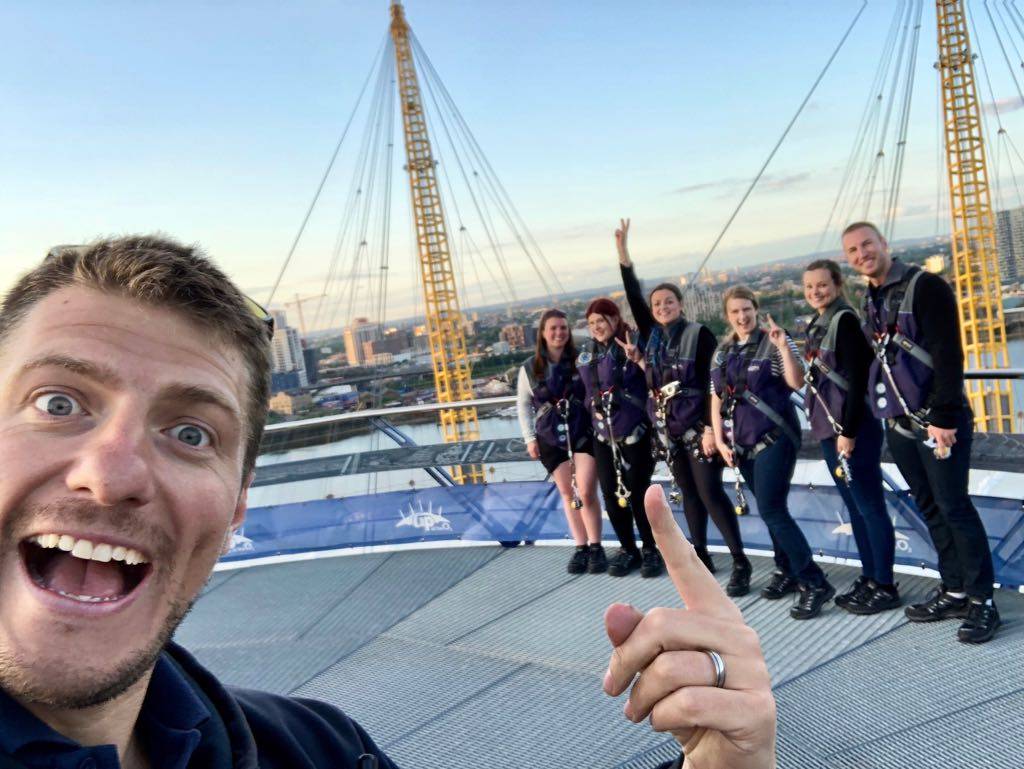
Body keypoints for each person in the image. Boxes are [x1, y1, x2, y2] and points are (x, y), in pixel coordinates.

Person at [0, 236, 777, 768]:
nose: (111, 472)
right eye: (58, 403)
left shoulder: (317, 749)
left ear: (238, 502)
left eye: (192, 432)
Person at [841, 221, 1000, 643]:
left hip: (938, 422)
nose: (862, 255)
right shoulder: (872, 297)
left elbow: (949, 353)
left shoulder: (926, 287)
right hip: (901, 424)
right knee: (930, 506)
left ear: (884, 244)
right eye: (853, 251)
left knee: (954, 506)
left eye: (867, 245)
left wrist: (946, 416)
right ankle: (954, 589)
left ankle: (983, 601)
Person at [615, 219, 752, 596]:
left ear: (680, 305)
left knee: (709, 492)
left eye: (668, 302)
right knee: (689, 495)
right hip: (670, 430)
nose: (661, 308)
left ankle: (740, 560)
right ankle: (702, 557)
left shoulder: (698, 335)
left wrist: (713, 428)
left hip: (697, 428)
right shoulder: (653, 338)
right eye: (657, 304)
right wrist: (623, 256)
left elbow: (714, 384)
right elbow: (634, 296)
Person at [710, 286, 836, 619]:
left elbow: (796, 383)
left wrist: (783, 346)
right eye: (735, 311)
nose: (742, 316)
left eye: (747, 309)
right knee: (770, 510)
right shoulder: (723, 353)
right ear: (728, 316)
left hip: (775, 437)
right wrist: (721, 440)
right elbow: (717, 397)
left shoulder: (775, 341)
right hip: (742, 443)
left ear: (756, 308)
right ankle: (787, 570)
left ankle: (814, 581)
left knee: (772, 510)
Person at [802, 259, 899, 614]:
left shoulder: (842, 322)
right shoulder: (820, 322)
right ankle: (871, 575)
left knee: (870, 507)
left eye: (822, 285)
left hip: (851, 430)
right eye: (810, 287)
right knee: (856, 507)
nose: (816, 292)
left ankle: (885, 584)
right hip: (834, 430)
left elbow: (859, 381)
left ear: (838, 285)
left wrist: (849, 432)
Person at [577, 297, 662, 577]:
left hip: (635, 434)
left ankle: (651, 548)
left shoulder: (633, 343)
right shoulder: (587, 354)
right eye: (591, 323)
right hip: (603, 437)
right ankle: (628, 549)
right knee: (612, 495)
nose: (597, 327)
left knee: (638, 494)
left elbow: (655, 377)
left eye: (601, 321)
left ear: (614, 319)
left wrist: (638, 358)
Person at [517, 309, 606, 574]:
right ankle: (580, 547)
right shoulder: (529, 368)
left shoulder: (582, 359)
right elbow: (523, 405)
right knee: (568, 493)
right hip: (549, 436)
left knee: (587, 490)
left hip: (582, 431)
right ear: (543, 333)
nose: (559, 333)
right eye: (553, 328)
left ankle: (596, 545)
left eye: (563, 328)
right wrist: (529, 438)